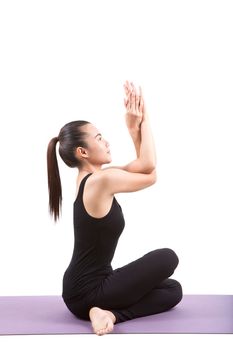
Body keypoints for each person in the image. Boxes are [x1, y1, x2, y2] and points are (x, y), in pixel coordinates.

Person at [47, 81, 183, 336]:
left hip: (88, 287)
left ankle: (103, 311)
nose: (106, 142)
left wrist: (134, 128)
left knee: (172, 290)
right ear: (82, 151)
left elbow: (144, 164)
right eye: (99, 138)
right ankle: (108, 312)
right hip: (87, 289)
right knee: (168, 257)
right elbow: (151, 171)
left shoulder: (97, 178)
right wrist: (145, 118)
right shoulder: (101, 181)